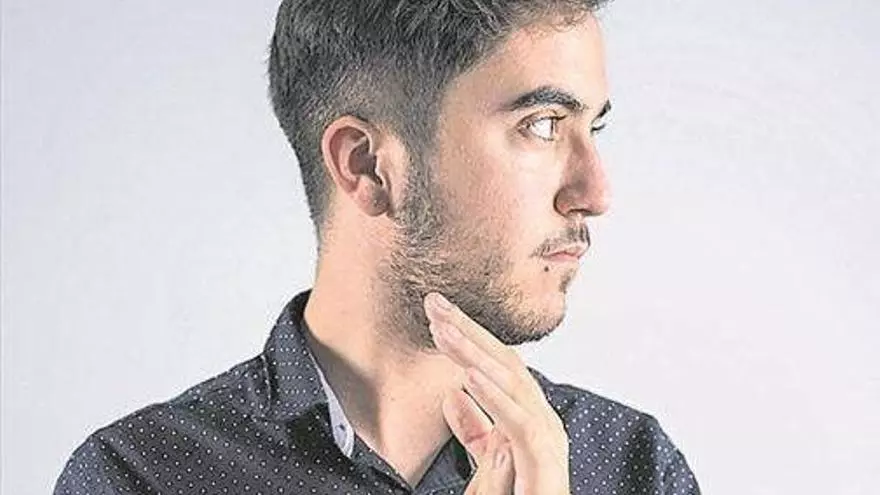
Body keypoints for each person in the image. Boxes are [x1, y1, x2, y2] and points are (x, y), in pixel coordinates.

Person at [53, 1, 701, 493]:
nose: (595, 192)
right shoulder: (139, 477)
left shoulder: (633, 469)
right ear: (366, 165)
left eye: (594, 128)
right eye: (542, 125)